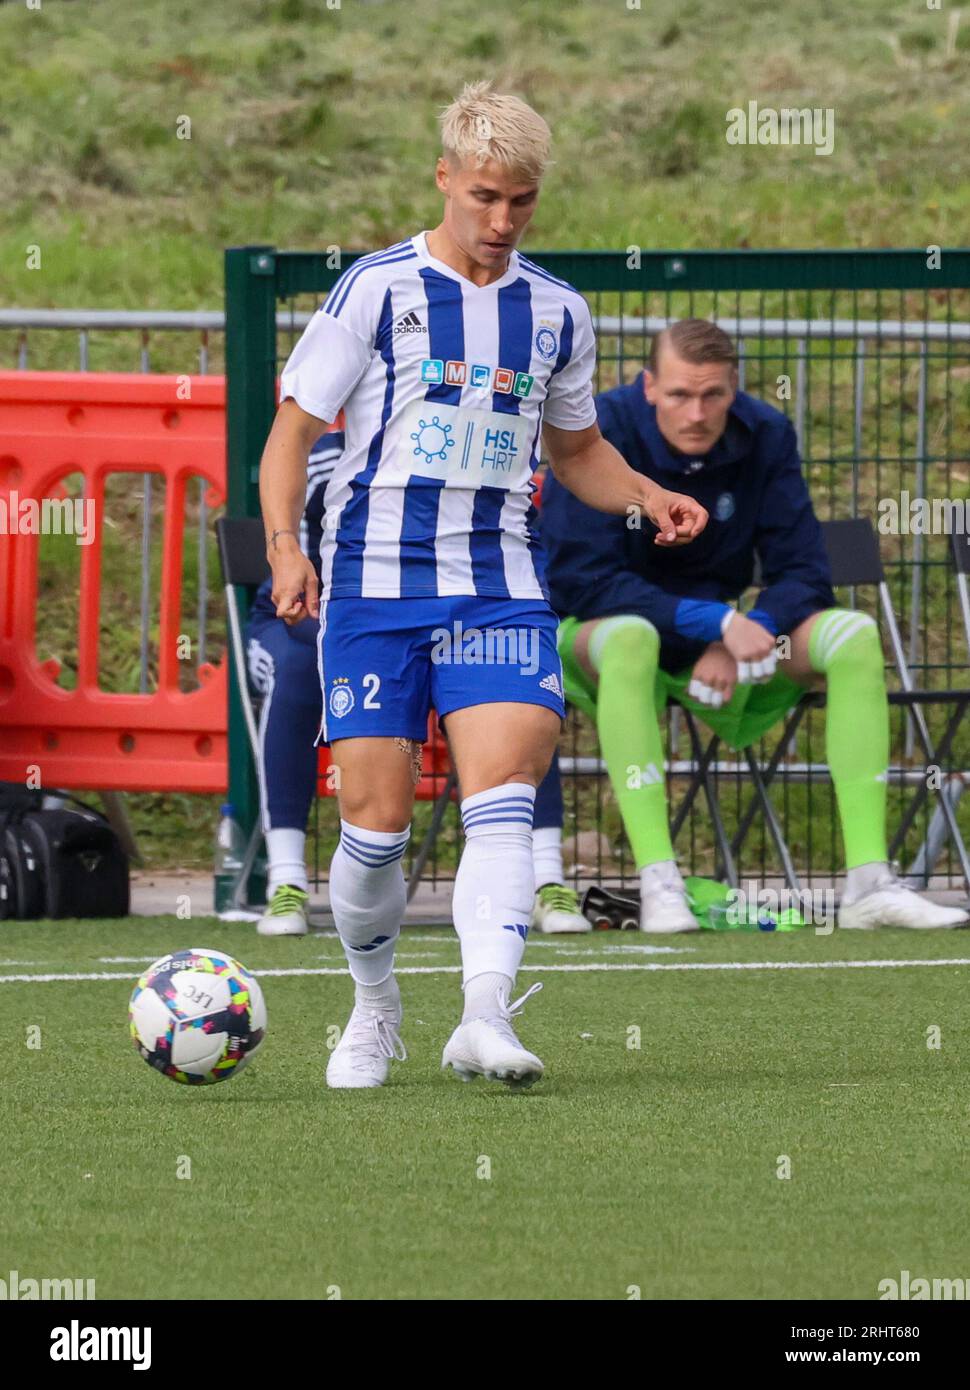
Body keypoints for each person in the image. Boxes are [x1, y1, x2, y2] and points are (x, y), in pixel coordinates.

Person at [258, 81, 708, 1091]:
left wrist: (647, 495)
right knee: (373, 830)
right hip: (372, 593)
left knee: (503, 790)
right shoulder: (373, 290)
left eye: (522, 202)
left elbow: (577, 448)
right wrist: (289, 548)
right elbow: (288, 439)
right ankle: (376, 1005)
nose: (502, 222)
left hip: (498, 591)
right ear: (445, 180)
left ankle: (483, 1013)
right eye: (485, 198)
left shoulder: (556, 312)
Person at [539, 317, 969, 933]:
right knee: (632, 637)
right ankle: (661, 885)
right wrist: (714, 623)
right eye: (681, 394)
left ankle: (870, 883)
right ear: (649, 386)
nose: (697, 413)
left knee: (854, 635)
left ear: (734, 389)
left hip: (728, 642)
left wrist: (752, 628)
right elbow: (579, 578)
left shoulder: (766, 432)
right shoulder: (598, 433)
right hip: (599, 635)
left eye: (714, 394)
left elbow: (805, 570)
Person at [245, 430, 343, 936]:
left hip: (389, 627)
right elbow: (295, 603)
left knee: (508, 665)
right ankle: (286, 883)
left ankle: (543, 877)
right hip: (294, 625)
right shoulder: (320, 463)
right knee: (303, 667)